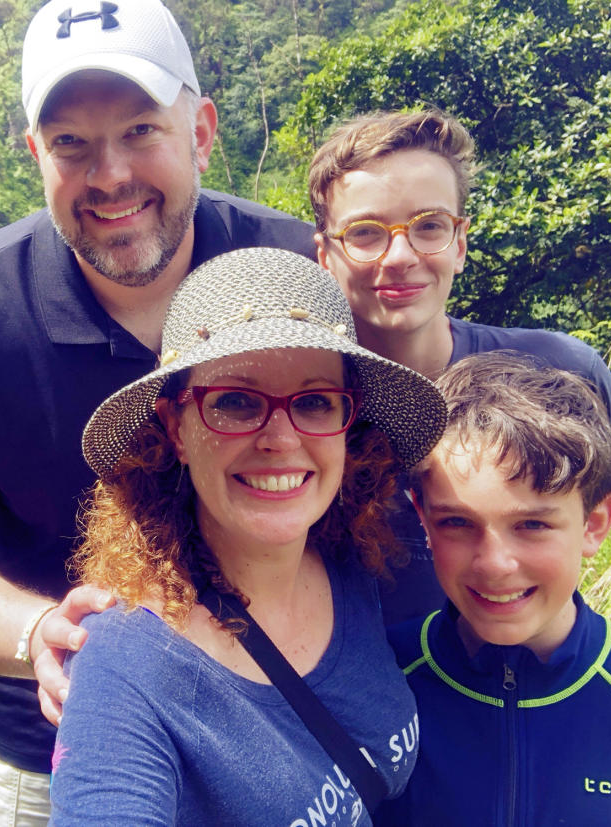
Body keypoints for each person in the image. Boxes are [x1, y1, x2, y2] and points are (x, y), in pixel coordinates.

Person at [0, 0, 314, 821]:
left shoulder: (287, 272)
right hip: (53, 758)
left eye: (141, 130)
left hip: (282, 730)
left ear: (202, 130)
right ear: (36, 152)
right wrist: (40, 629)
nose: (109, 175)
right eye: (72, 143)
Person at [49, 246, 447, 824]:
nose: (281, 439)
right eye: (235, 401)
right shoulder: (127, 661)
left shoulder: (348, 564)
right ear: (175, 427)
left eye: (314, 402)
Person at [309, 108, 611, 636]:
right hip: (372, 711)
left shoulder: (556, 370)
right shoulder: (299, 404)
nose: (399, 255)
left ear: (459, 244)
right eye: (366, 233)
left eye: (429, 227)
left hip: (542, 697)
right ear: (326, 255)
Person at [384, 352, 611, 825]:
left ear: (595, 524)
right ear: (423, 518)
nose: (494, 564)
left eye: (532, 525)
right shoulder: (375, 680)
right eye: (457, 522)